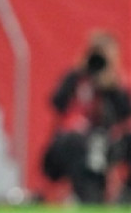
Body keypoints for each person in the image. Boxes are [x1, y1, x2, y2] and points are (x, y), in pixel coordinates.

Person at [42, 31, 131, 204]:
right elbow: (57, 103)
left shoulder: (117, 83)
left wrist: (110, 86)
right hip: (76, 143)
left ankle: (126, 197)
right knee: (81, 146)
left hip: (108, 142)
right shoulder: (76, 78)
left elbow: (124, 113)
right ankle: (85, 198)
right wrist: (80, 74)